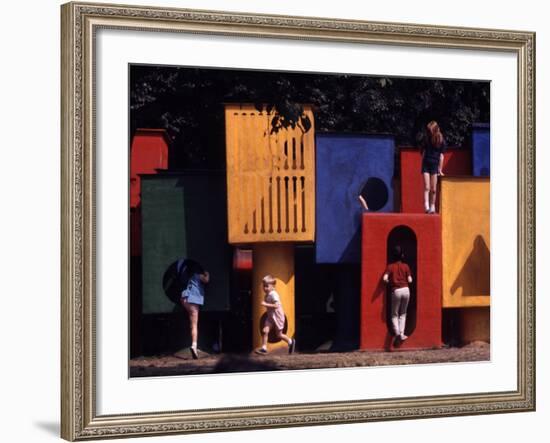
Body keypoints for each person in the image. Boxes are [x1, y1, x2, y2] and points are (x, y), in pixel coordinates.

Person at [255, 275, 296, 355]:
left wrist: (265, 304)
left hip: (277, 316)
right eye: (264, 286)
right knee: (265, 331)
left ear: (273, 287)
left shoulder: (273, 294)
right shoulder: (266, 295)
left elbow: (276, 306)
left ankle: (290, 341)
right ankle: (264, 348)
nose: (265, 288)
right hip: (270, 317)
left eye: (267, 286)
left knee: (279, 335)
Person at [179, 259, 209, 359]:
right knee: (194, 324)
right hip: (193, 299)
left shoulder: (188, 277)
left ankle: (193, 345)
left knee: (191, 321)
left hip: (184, 298)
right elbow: (207, 280)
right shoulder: (198, 275)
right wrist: (207, 273)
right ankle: (194, 345)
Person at [382, 246, 413, 344]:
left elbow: (384, 278)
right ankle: (402, 333)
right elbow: (410, 280)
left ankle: (397, 334)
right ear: (402, 255)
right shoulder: (406, 266)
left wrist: (388, 281)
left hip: (396, 291)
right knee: (403, 313)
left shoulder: (390, 266)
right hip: (406, 290)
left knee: (394, 314)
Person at [419, 120, 447, 213]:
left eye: (430, 130)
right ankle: (426, 206)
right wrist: (422, 165)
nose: (429, 132)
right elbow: (423, 153)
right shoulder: (426, 139)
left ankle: (432, 206)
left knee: (433, 189)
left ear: (435, 130)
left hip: (435, 165)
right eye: (428, 130)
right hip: (426, 164)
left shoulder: (441, 140)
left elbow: (441, 156)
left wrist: (440, 169)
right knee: (427, 187)